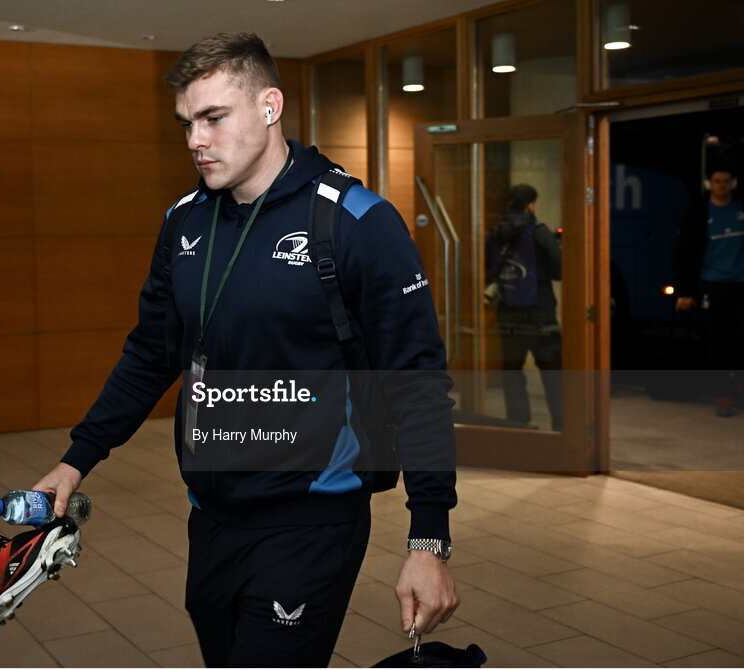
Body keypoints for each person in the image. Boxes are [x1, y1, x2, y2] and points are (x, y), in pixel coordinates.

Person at [33, 33, 459, 667]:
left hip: (312, 520)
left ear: (269, 106)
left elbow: (415, 380)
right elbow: (153, 353)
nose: (195, 141)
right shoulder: (184, 222)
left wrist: (429, 535)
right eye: (186, 123)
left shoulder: (354, 222)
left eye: (212, 118)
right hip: (211, 516)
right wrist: (76, 460)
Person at [485, 184, 563, 431]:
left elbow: (490, 268)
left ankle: (518, 422)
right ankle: (562, 424)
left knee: (512, 372)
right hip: (540, 312)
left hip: (508, 312)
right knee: (552, 372)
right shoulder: (539, 232)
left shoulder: (495, 234)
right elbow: (558, 270)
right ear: (531, 205)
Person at [674, 167, 744, 417]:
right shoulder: (698, 215)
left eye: (726, 181)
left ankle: (738, 386)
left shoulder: (740, 211)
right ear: (709, 184)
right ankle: (724, 397)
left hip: (740, 285)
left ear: (733, 183)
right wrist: (685, 292)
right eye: (717, 181)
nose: (722, 185)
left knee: (739, 340)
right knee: (717, 343)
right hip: (712, 285)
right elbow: (686, 253)